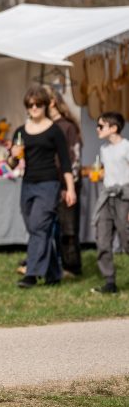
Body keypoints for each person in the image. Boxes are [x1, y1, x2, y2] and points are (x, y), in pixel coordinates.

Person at [9, 85, 76, 289]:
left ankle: (32, 273)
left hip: (49, 183)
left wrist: (70, 188)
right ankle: (54, 273)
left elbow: (65, 162)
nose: (34, 108)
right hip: (28, 184)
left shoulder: (55, 130)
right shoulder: (20, 132)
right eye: (31, 105)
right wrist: (12, 155)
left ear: (46, 105)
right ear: (27, 107)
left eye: (38, 104)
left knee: (39, 226)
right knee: (37, 228)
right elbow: (12, 164)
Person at [46, 86, 83, 277]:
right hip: (49, 183)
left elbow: (73, 158)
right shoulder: (45, 125)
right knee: (47, 226)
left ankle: (71, 266)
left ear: (51, 102)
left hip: (67, 183)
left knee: (68, 227)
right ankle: (48, 261)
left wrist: (68, 186)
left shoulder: (67, 127)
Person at [90, 112, 129, 294]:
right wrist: (101, 175)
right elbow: (110, 171)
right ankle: (110, 282)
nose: (97, 129)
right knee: (103, 239)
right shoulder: (104, 149)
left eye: (101, 126)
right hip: (107, 197)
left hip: (124, 197)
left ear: (113, 128)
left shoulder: (126, 147)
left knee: (126, 239)